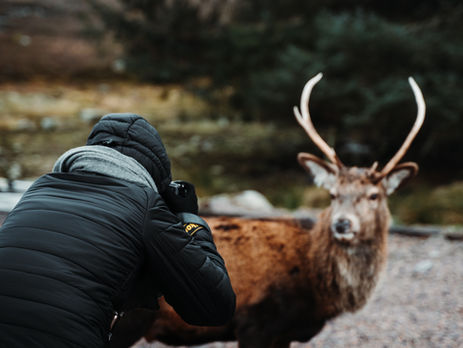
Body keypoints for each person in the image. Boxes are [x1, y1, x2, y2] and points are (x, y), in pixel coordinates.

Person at [0, 113, 236, 348]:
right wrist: (190, 218)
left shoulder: (38, 189)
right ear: (156, 174)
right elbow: (214, 306)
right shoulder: (146, 205)